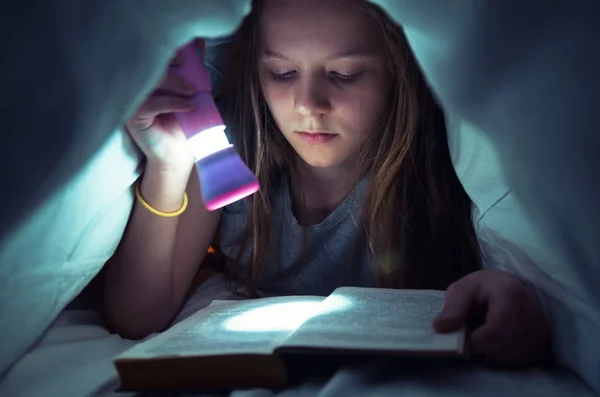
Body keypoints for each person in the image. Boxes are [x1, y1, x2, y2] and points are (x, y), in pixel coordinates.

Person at [103, 0, 551, 369]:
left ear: (397, 70)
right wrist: (167, 164)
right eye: (282, 73)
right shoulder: (235, 146)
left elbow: (500, 268)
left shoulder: (437, 164)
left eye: (343, 75)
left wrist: (507, 294)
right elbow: (137, 317)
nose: (308, 105)